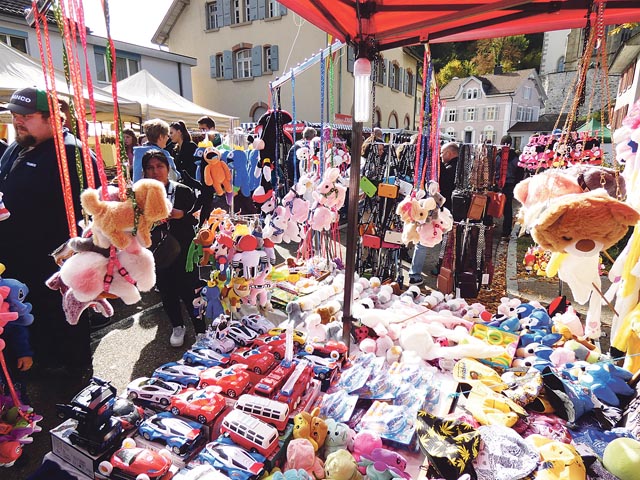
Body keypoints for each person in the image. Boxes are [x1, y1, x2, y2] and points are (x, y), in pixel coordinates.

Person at [0, 87, 98, 375]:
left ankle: (77, 374)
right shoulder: (18, 146)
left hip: (55, 262)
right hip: (17, 261)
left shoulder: (73, 153)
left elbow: (92, 212)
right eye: (15, 115)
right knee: (32, 320)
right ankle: (42, 364)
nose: (18, 121)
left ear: (55, 118)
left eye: (26, 116)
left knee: (65, 323)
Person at [143, 149, 204, 347]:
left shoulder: (182, 190)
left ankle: (201, 330)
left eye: (159, 166)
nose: (155, 171)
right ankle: (178, 326)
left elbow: (197, 216)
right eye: (150, 168)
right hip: (159, 252)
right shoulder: (141, 194)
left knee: (191, 291)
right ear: (144, 172)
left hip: (184, 250)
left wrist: (181, 214)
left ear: (168, 168)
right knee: (167, 292)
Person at [408, 141, 460, 285]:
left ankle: (415, 274)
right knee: (447, 242)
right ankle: (442, 268)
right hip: (450, 211)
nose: (442, 156)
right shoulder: (461, 167)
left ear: (450, 153)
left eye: (443, 153)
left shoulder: (445, 168)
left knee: (423, 241)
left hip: (437, 208)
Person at [499, 134, 524, 238]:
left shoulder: (497, 156)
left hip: (498, 184)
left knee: (493, 206)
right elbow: (520, 173)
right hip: (510, 185)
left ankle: (490, 226)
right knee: (507, 208)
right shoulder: (516, 158)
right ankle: (506, 231)